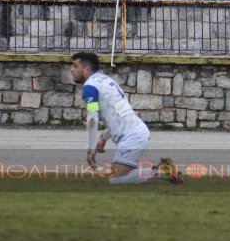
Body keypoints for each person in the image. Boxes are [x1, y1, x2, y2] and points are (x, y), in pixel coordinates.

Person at [70, 52, 182, 185]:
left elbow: (92, 119)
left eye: (75, 66)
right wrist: (103, 138)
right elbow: (118, 114)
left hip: (132, 137)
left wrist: (90, 149)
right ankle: (159, 170)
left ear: (86, 70)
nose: (72, 70)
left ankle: (162, 171)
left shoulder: (90, 87)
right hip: (137, 132)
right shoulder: (106, 81)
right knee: (125, 174)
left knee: (115, 179)